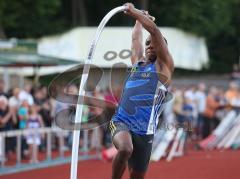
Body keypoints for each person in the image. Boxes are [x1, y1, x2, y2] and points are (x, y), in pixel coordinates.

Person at [109, 3, 174, 179]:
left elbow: (153, 31)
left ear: (162, 49)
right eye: (148, 44)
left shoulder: (163, 68)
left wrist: (135, 13)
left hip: (145, 132)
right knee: (125, 149)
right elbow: (136, 39)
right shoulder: (136, 63)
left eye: (153, 44)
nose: (150, 46)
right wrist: (139, 19)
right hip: (121, 121)